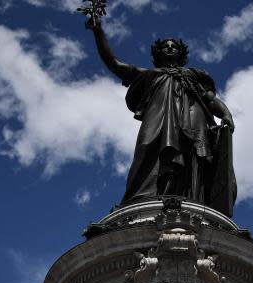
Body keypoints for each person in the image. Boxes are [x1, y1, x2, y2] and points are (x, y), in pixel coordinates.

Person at [84, 12, 237, 215]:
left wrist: (226, 114)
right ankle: (140, 201)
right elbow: (114, 63)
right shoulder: (149, 75)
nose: (170, 48)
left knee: (192, 159)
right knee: (147, 150)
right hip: (158, 120)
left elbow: (210, 100)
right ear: (158, 54)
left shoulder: (194, 76)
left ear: (180, 53)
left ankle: (190, 201)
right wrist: (98, 31)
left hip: (193, 119)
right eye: (165, 46)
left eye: (174, 46)